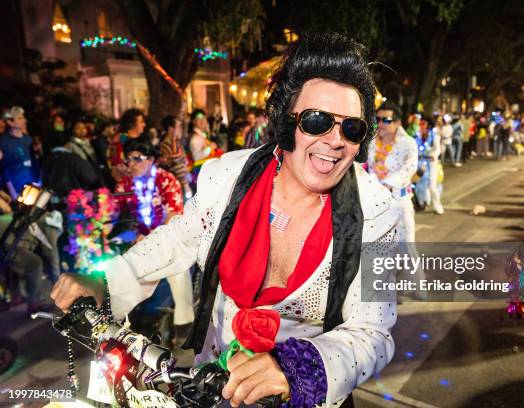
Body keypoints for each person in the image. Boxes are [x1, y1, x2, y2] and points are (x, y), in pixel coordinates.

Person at [51, 32, 398, 408]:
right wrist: (105, 281)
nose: (335, 140)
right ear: (287, 121)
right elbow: (176, 241)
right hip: (212, 387)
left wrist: (296, 370)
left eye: (351, 128)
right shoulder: (226, 177)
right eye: (317, 121)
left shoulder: (378, 213)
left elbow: (374, 333)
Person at [113, 137, 194, 328]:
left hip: (167, 235)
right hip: (136, 238)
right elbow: (115, 211)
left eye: (136, 159)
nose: (131, 165)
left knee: (178, 268)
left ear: (150, 160)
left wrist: (150, 238)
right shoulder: (125, 184)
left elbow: (173, 216)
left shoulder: (166, 180)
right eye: (128, 160)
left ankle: (184, 319)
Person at [368, 101, 418, 242]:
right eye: (377, 119)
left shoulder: (408, 143)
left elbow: (410, 167)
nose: (381, 124)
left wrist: (387, 184)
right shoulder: (370, 142)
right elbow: (363, 165)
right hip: (374, 203)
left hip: (399, 201)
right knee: (378, 248)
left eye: (386, 120)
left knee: (406, 248)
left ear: (397, 123)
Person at [0, 107, 36, 199]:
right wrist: (13, 192)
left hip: (32, 186)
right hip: (16, 188)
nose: (24, 120)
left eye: (23, 117)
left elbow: (34, 163)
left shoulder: (28, 139)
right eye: (20, 118)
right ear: (10, 122)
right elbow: (5, 169)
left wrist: (37, 182)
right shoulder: (4, 142)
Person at [159, 115, 192, 198]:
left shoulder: (175, 143)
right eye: (179, 127)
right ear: (171, 129)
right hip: (178, 186)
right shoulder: (167, 145)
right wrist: (185, 184)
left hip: (182, 183)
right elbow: (177, 165)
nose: (181, 129)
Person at [109, 108, 146, 180]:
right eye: (141, 122)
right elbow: (119, 165)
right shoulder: (122, 139)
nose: (144, 125)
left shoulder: (131, 139)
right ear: (132, 124)